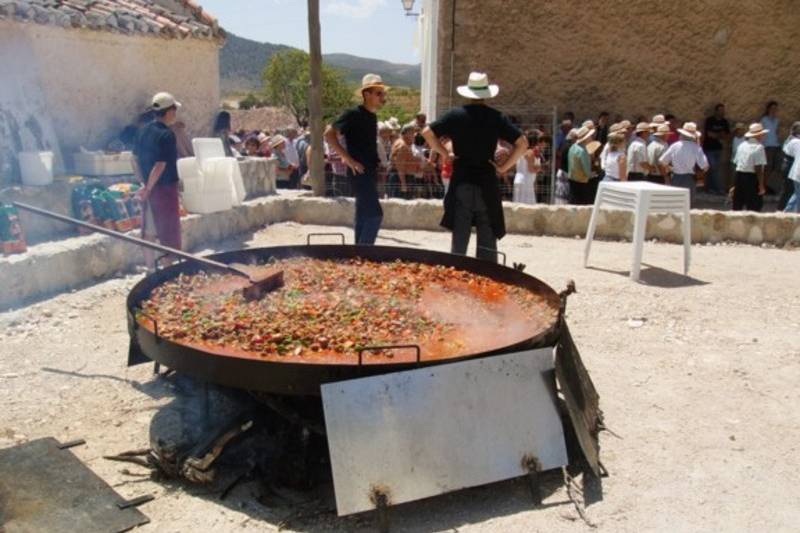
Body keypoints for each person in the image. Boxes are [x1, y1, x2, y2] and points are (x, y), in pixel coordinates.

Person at [422, 72, 527, 262]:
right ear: (486, 94)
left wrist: (444, 154)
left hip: (462, 180)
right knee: (487, 240)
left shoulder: (456, 115)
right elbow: (523, 143)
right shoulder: (496, 117)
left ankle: (457, 276)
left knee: (459, 239)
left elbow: (427, 132)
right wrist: (504, 168)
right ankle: (486, 282)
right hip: (487, 181)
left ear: (468, 93)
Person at [325, 73, 388, 245]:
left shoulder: (372, 116)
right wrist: (348, 159)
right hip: (359, 172)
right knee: (375, 215)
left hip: (369, 171)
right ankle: (365, 255)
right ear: (366, 94)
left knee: (362, 215)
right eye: (379, 93)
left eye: (383, 93)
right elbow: (329, 134)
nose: (384, 97)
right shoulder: (353, 114)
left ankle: (358, 256)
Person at [132, 92, 183, 269]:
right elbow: (160, 165)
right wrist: (149, 187)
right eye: (174, 110)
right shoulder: (167, 135)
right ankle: (167, 270)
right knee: (168, 231)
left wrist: (143, 184)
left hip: (149, 186)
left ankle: (150, 269)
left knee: (149, 231)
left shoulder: (142, 131)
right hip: (164, 188)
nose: (175, 114)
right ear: (168, 111)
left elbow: (134, 159)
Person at [658, 122, 709, 204]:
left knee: (675, 203)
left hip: (675, 177)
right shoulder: (696, 148)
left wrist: (669, 172)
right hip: (690, 178)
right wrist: (699, 177)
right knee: (687, 204)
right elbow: (705, 166)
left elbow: (662, 162)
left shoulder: (674, 146)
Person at [732, 123, 768, 211]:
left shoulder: (741, 145)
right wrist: (761, 184)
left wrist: (734, 184)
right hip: (751, 178)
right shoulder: (759, 147)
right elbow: (758, 167)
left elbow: (736, 163)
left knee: (738, 205)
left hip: (739, 176)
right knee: (754, 206)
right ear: (758, 135)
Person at [702, 103, 731, 194]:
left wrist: (717, 135)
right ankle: (718, 189)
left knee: (715, 169)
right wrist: (720, 135)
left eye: (723, 110)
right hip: (709, 148)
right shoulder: (710, 120)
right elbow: (709, 134)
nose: (722, 112)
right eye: (720, 110)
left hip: (719, 148)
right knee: (713, 168)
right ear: (716, 111)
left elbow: (727, 136)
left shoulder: (724, 122)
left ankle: (711, 188)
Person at [568, 125, 595, 204]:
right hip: (581, 182)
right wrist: (592, 174)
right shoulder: (583, 151)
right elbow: (587, 170)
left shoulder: (573, 147)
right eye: (590, 136)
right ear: (586, 138)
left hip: (572, 179)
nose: (591, 138)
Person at [389, 124, 419, 198]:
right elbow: (400, 166)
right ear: (407, 133)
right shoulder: (402, 146)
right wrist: (403, 183)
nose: (414, 135)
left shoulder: (404, 144)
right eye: (413, 133)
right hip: (402, 179)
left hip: (403, 178)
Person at [513, 131, 541, 205]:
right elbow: (531, 169)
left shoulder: (520, 151)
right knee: (527, 208)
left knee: (517, 205)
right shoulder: (530, 153)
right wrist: (538, 168)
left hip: (518, 179)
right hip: (526, 182)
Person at [760, 101, 781, 192]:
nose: (774, 110)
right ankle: (765, 187)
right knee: (768, 167)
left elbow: (777, 132)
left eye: (775, 108)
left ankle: (772, 186)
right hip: (767, 145)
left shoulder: (777, 120)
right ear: (768, 109)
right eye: (772, 108)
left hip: (776, 145)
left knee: (776, 168)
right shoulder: (764, 120)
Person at [782, 121, 800, 213]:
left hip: (795, 172)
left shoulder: (794, 141)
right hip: (797, 172)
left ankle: (786, 213)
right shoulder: (796, 142)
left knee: (796, 194)